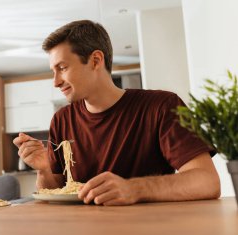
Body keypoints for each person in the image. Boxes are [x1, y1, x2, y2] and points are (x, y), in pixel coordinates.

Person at [13, 20, 221, 206]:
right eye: (53, 71)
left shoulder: (162, 106)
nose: (56, 81)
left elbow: (207, 181)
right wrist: (43, 168)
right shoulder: (62, 119)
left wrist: (134, 189)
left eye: (63, 67)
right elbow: (54, 193)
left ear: (95, 60)